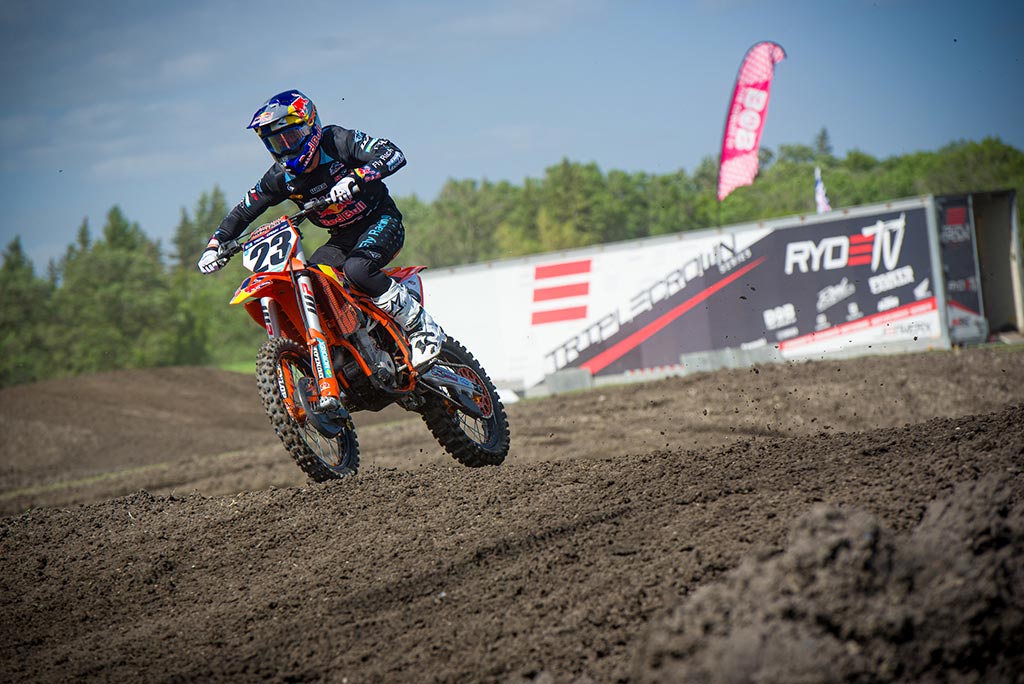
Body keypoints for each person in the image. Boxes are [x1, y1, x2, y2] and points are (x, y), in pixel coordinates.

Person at [197, 89, 444, 369]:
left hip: (380, 221)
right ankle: (348, 352)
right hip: (341, 239)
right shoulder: (281, 178)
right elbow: (244, 210)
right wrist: (216, 245)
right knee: (312, 283)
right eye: (276, 142)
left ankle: (422, 327)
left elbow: (392, 154)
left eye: (291, 137)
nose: (286, 147)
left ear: (309, 126)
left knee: (357, 270)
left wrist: (357, 177)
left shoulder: (337, 142)